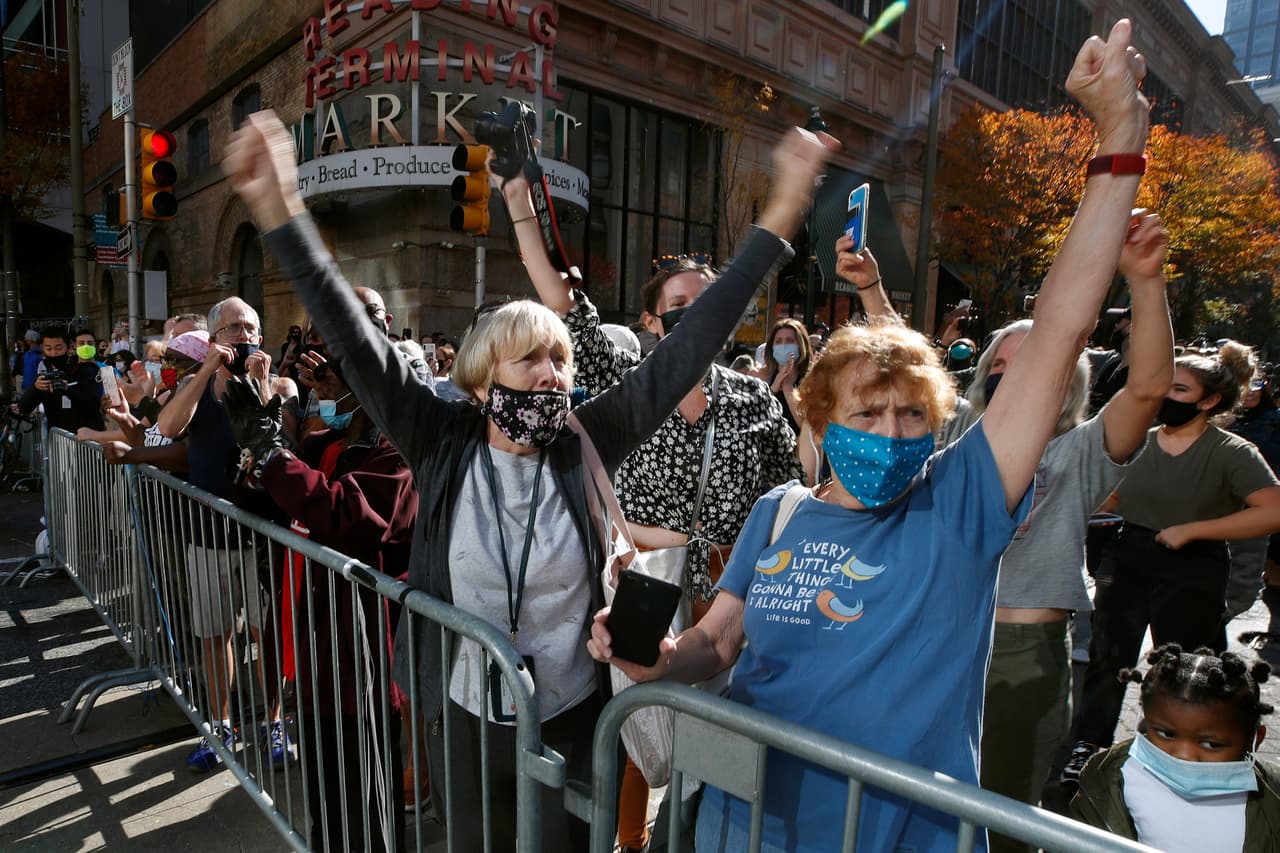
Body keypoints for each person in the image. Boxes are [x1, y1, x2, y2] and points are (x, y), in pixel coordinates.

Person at [588, 21, 1153, 852]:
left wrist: (1118, 144)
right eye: (868, 413)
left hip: (893, 835)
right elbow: (718, 640)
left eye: (913, 414)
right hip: (741, 826)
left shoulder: (962, 500)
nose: (893, 431)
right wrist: (657, 661)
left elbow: (1063, 329)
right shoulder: (779, 511)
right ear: (817, 419)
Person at [224, 107, 836, 852]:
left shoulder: (588, 436)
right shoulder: (438, 435)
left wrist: (780, 212)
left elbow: (694, 340)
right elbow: (354, 338)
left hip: (574, 717)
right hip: (464, 715)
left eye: (559, 360)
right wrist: (279, 208)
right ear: (483, 380)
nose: (551, 374)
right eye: (529, 360)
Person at [505, 154, 806, 852]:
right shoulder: (629, 382)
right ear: (649, 319)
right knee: (640, 721)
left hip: (732, 587)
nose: (698, 318)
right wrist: (523, 208)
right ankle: (629, 839)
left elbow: (788, 491)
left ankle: (702, 834)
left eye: (710, 304)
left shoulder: (754, 398)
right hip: (647, 580)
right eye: (680, 309)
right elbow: (562, 302)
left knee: (728, 723)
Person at [926, 212, 1173, 851]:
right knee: (925, 806)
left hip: (1021, 655)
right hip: (938, 638)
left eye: (1036, 358)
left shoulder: (1083, 449)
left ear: (1067, 376)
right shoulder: (958, 433)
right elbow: (909, 376)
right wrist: (872, 287)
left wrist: (1146, 280)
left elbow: (1147, 389)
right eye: (1004, 361)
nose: (1018, 372)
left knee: (1002, 819)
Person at [221, 316, 418, 852]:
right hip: (311, 651)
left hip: (360, 663)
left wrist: (270, 450)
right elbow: (259, 496)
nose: (324, 375)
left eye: (344, 365)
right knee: (327, 804)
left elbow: (343, 513)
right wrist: (261, 442)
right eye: (321, 357)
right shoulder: (326, 441)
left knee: (367, 810)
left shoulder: (398, 457)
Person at [1065, 340, 1280, 782]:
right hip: (1128, 558)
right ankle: (1088, 749)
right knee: (1108, 660)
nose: (1165, 396)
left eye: (1179, 390)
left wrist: (1194, 530)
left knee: (1188, 670)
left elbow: (1272, 510)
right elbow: (1114, 495)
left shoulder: (1232, 452)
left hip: (1193, 568)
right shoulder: (1140, 442)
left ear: (1210, 400)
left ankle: (1188, 754)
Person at [156, 295, 299, 773]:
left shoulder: (277, 381)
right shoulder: (200, 388)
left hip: (264, 535)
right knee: (215, 635)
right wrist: (207, 371)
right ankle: (220, 724)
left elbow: (282, 437)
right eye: (234, 328)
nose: (245, 335)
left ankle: (275, 720)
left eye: (252, 327)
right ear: (214, 338)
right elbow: (168, 425)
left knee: (269, 635)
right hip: (208, 536)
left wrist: (258, 385)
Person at [1070, 644, 1279, 851]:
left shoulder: (1272, 797)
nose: (1183, 755)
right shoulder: (1105, 777)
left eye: (1211, 744)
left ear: (1255, 739)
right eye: (1166, 734)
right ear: (1145, 720)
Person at [16, 325, 105, 433]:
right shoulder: (45, 378)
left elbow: (93, 405)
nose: (53, 353)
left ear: (68, 347)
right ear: (42, 349)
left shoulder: (85, 370)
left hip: (87, 441)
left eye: (58, 348)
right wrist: (35, 388)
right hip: (58, 443)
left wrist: (68, 390)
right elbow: (24, 408)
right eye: (48, 349)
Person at [762, 318, 812, 434]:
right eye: (778, 341)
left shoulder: (812, 381)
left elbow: (806, 427)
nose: (783, 345)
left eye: (789, 340)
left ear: (801, 345)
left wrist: (788, 387)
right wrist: (773, 390)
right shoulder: (763, 377)